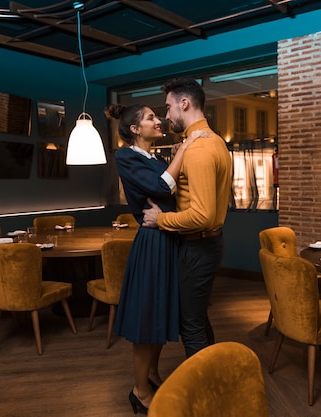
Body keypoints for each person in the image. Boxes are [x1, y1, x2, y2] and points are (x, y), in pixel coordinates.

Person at [107, 103, 203, 414]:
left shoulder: (155, 158)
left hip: (167, 237)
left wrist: (174, 161)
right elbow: (162, 186)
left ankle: (150, 375)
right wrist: (186, 146)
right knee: (147, 318)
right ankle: (139, 391)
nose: (158, 121)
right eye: (151, 118)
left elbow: (168, 192)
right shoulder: (126, 156)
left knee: (160, 314)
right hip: (152, 244)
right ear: (135, 129)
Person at [142, 77, 232, 359]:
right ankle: (213, 379)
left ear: (184, 103)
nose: (166, 116)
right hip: (204, 246)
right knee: (198, 320)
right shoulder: (214, 142)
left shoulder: (200, 149)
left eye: (168, 108)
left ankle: (204, 397)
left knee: (190, 325)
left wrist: (161, 220)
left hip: (198, 246)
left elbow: (202, 216)